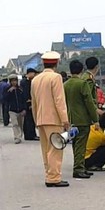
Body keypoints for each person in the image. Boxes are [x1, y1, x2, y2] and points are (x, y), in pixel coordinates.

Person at [31, 51, 71, 187]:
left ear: (43, 63)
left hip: (41, 119)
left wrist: (36, 119)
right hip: (54, 119)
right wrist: (65, 119)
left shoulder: (35, 79)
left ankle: (49, 174)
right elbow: (59, 100)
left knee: (46, 149)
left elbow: (34, 102)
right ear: (57, 62)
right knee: (56, 148)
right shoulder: (56, 77)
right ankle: (54, 178)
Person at [64, 59, 99, 179]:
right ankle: (78, 169)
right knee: (81, 145)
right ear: (82, 70)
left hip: (71, 118)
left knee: (75, 144)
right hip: (82, 119)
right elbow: (89, 102)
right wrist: (95, 119)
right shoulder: (82, 83)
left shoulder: (66, 84)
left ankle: (80, 166)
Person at [5, 75, 26, 143]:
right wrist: (9, 92)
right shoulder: (7, 89)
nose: (14, 82)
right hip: (12, 110)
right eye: (12, 81)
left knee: (20, 124)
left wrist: (24, 109)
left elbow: (24, 99)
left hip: (20, 109)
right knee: (15, 124)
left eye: (15, 81)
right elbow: (4, 99)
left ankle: (20, 134)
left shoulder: (20, 89)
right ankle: (17, 137)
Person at [21, 68, 40, 141]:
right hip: (27, 103)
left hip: (29, 102)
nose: (35, 75)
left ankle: (30, 134)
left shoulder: (29, 82)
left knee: (30, 120)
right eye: (34, 73)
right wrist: (30, 102)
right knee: (29, 120)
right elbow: (26, 94)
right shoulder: (25, 82)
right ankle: (30, 135)